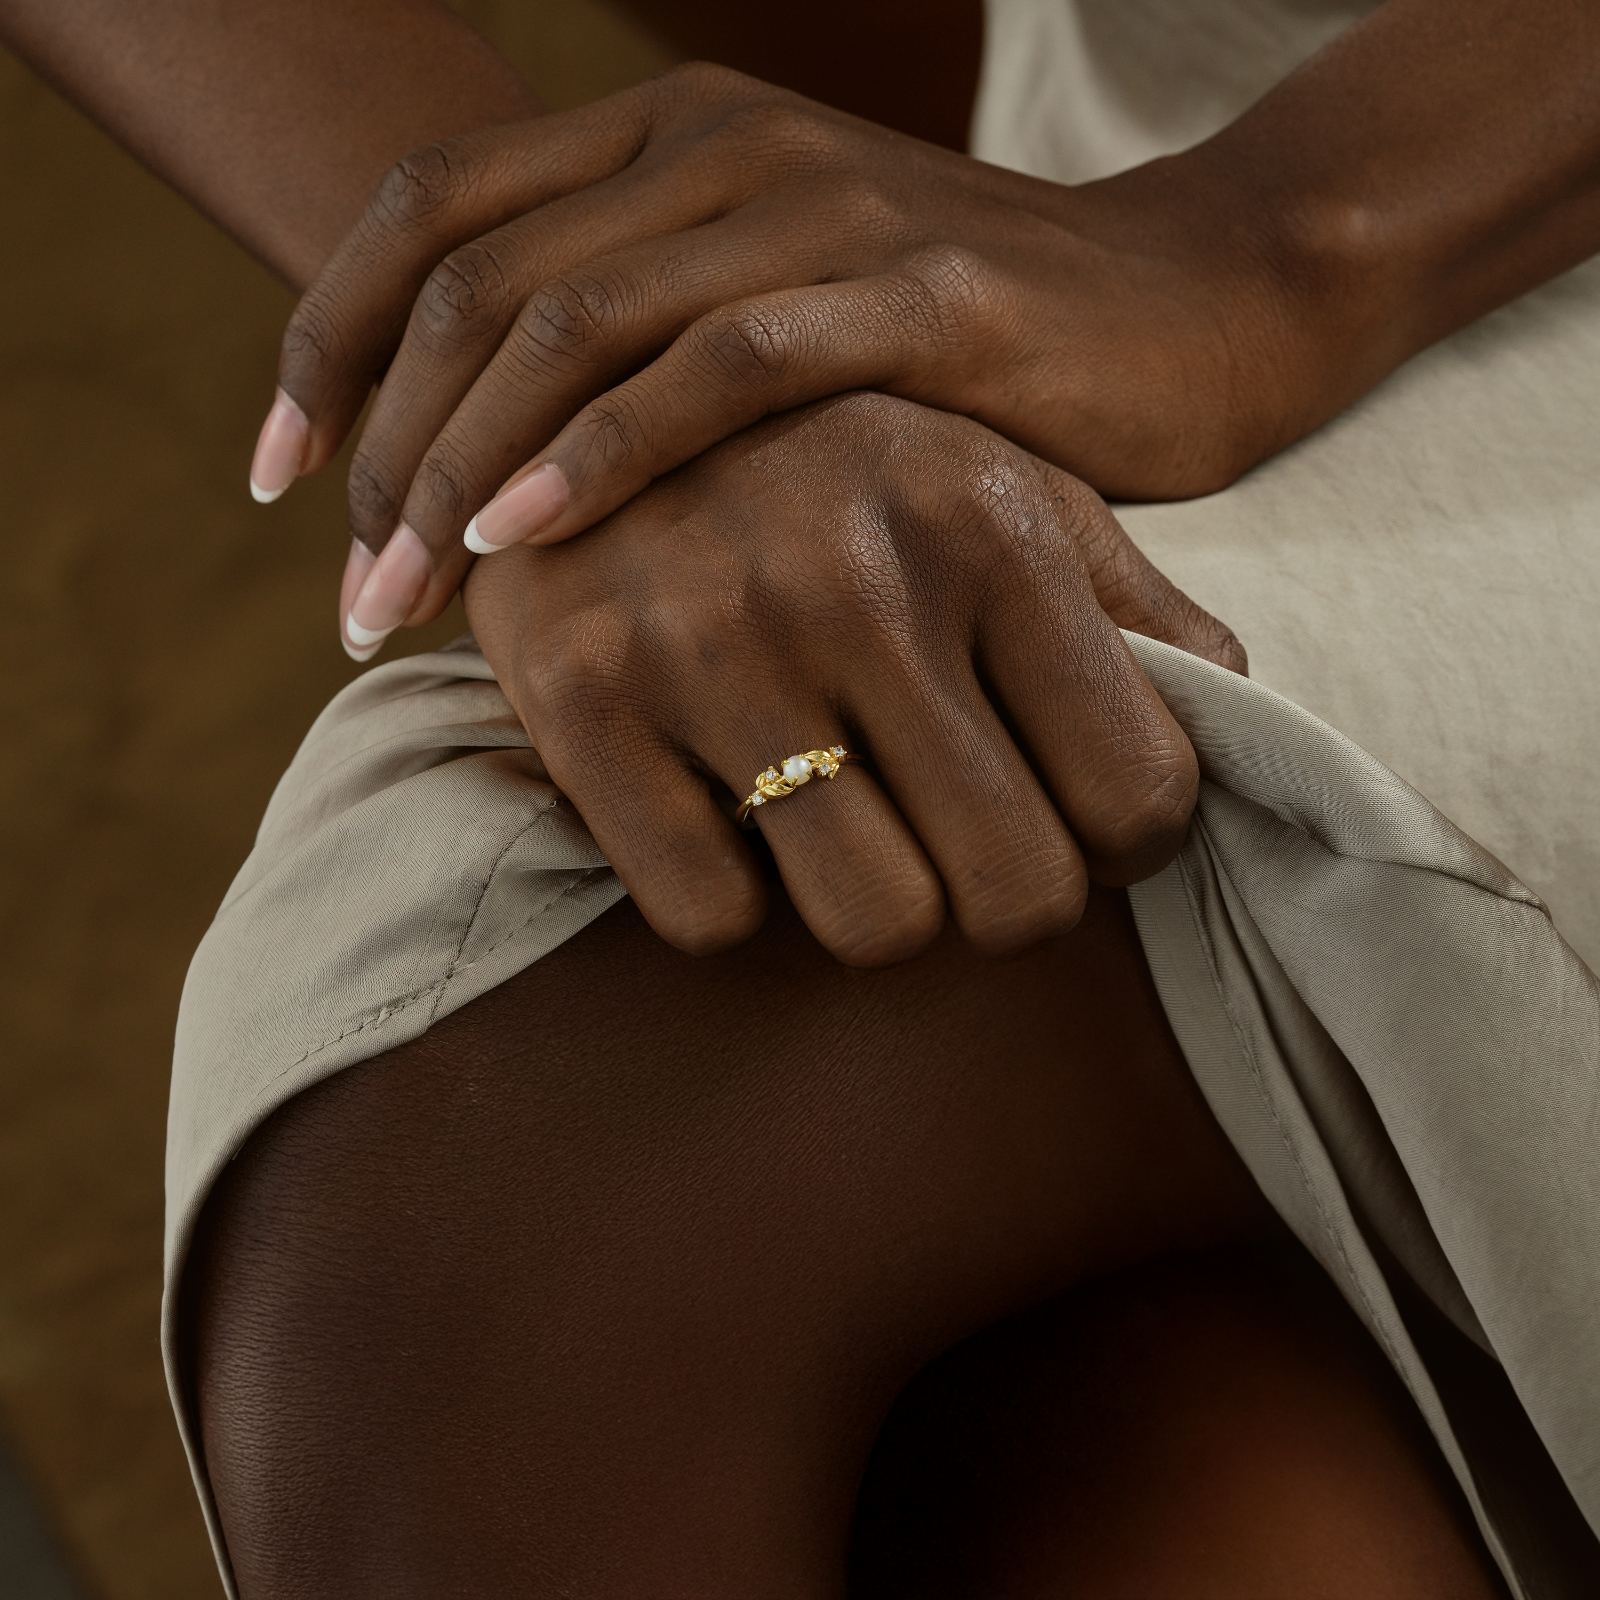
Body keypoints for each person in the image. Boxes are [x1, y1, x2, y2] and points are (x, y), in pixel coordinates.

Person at [4, 0, 1597, 1595]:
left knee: (507, 1102)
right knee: (1103, 1475)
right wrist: (580, 342)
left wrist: (1269, 236)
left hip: (1416, 208)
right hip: (1064, 255)